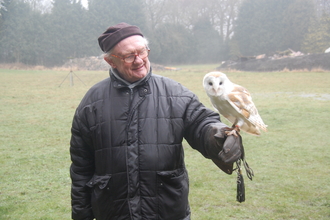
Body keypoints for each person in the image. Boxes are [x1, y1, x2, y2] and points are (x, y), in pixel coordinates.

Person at [70, 22, 241, 220]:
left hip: (167, 211)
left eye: (142, 51)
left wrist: (217, 135)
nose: (138, 60)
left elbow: (201, 123)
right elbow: (81, 170)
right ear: (111, 62)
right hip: (113, 213)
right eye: (128, 56)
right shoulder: (92, 103)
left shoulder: (175, 93)